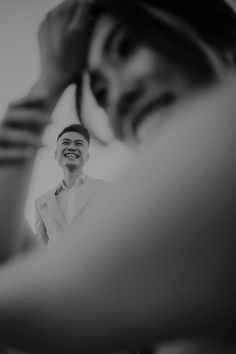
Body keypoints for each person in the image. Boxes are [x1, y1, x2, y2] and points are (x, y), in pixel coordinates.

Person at [0, 0, 235, 353]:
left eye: (126, 47)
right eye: (103, 92)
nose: (119, 98)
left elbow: (25, 307)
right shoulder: (43, 202)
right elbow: (12, 257)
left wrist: (48, 81)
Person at [35, 123, 110, 245]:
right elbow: (39, 249)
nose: (71, 147)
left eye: (78, 144)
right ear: (55, 154)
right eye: (65, 143)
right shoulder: (41, 202)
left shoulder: (108, 191)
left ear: (87, 156)